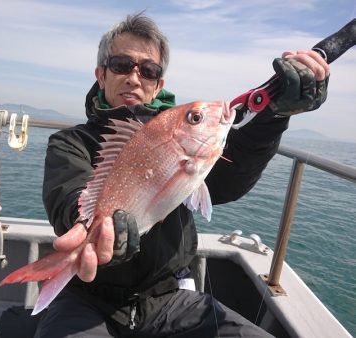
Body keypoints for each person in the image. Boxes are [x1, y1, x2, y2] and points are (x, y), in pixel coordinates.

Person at [36, 13, 330, 338]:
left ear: (158, 84)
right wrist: (100, 233)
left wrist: (274, 117)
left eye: (149, 70)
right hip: (87, 296)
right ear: (101, 75)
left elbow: (229, 179)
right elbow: (70, 199)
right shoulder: (70, 143)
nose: (135, 78)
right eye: (121, 64)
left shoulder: (178, 138)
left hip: (169, 299)